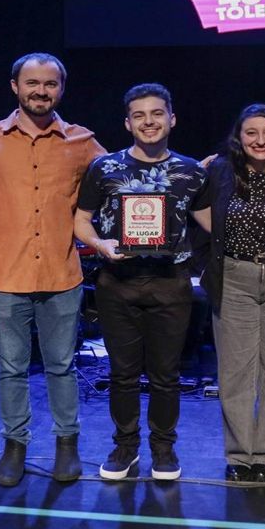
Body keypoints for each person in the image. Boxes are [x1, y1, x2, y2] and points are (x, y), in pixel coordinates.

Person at [0, 53, 105, 486]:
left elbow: (124, 178)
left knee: (61, 366)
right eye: (32, 83)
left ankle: (67, 444)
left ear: (61, 88)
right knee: (11, 369)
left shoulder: (82, 142)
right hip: (5, 277)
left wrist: (191, 169)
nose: (40, 91)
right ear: (15, 87)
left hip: (61, 276)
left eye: (50, 84)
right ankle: (15, 445)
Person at [74, 83, 212, 481]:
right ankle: (126, 447)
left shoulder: (192, 171)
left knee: (166, 375)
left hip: (170, 284)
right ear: (127, 123)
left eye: (156, 113)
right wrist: (99, 244)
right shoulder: (104, 168)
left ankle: (164, 449)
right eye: (139, 115)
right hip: (118, 283)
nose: (148, 122)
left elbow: (213, 224)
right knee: (122, 374)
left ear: (172, 118)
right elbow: (81, 220)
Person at [201, 103, 265, 483]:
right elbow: (194, 209)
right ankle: (239, 455)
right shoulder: (219, 170)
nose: (260, 140)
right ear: (239, 137)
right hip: (235, 276)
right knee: (235, 374)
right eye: (251, 133)